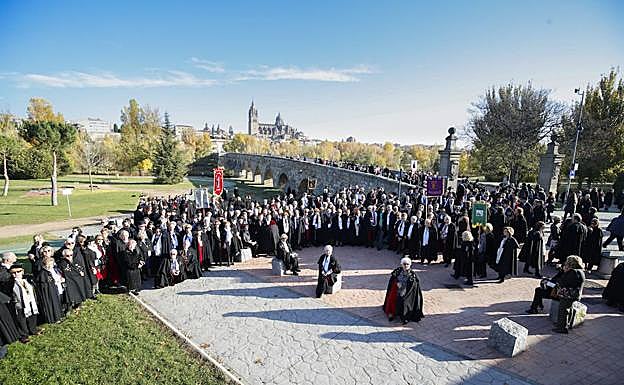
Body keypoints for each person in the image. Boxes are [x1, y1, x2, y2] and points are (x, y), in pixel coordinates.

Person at [382, 257, 424, 324]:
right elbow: (393, 279)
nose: (406, 266)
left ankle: (405, 317)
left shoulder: (412, 275)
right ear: (402, 264)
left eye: (407, 264)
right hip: (396, 289)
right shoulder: (398, 271)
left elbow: (413, 287)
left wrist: (404, 288)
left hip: (407, 292)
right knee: (392, 298)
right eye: (404, 264)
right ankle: (391, 313)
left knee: (404, 302)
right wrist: (396, 284)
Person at [552, 256, 585, 334]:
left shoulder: (573, 272)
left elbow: (563, 282)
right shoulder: (580, 271)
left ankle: (562, 328)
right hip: (574, 295)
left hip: (568, 295)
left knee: (563, 310)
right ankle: (565, 324)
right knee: (568, 310)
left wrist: (564, 271)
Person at [9, 264, 40, 342]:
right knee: (21, 320)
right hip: (19, 304)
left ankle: (33, 330)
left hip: (31, 302)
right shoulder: (10, 282)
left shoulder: (27, 279)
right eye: (13, 272)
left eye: (18, 271)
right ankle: (24, 335)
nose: (16, 274)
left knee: (32, 316)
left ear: (22, 271)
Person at [33, 255, 64, 324]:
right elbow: (44, 283)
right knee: (52, 305)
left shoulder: (50, 271)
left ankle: (58, 317)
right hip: (48, 293)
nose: (50, 266)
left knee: (56, 304)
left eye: (51, 264)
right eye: (49, 264)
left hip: (53, 290)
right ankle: (54, 319)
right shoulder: (43, 273)